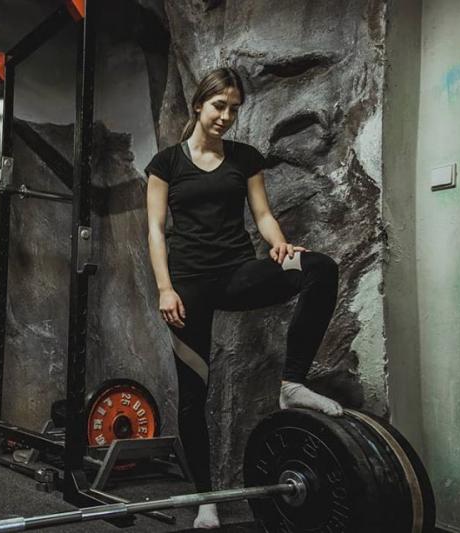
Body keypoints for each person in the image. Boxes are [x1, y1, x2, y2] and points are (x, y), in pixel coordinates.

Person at [145, 67, 343, 529]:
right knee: (194, 397)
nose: (226, 116)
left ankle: (292, 383)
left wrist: (280, 244)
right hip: (188, 287)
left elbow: (263, 213)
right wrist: (165, 288)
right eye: (219, 106)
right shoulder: (166, 164)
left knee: (319, 268)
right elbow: (155, 230)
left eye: (234, 109)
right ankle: (206, 500)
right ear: (199, 104)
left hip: (238, 274)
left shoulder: (244, 158)